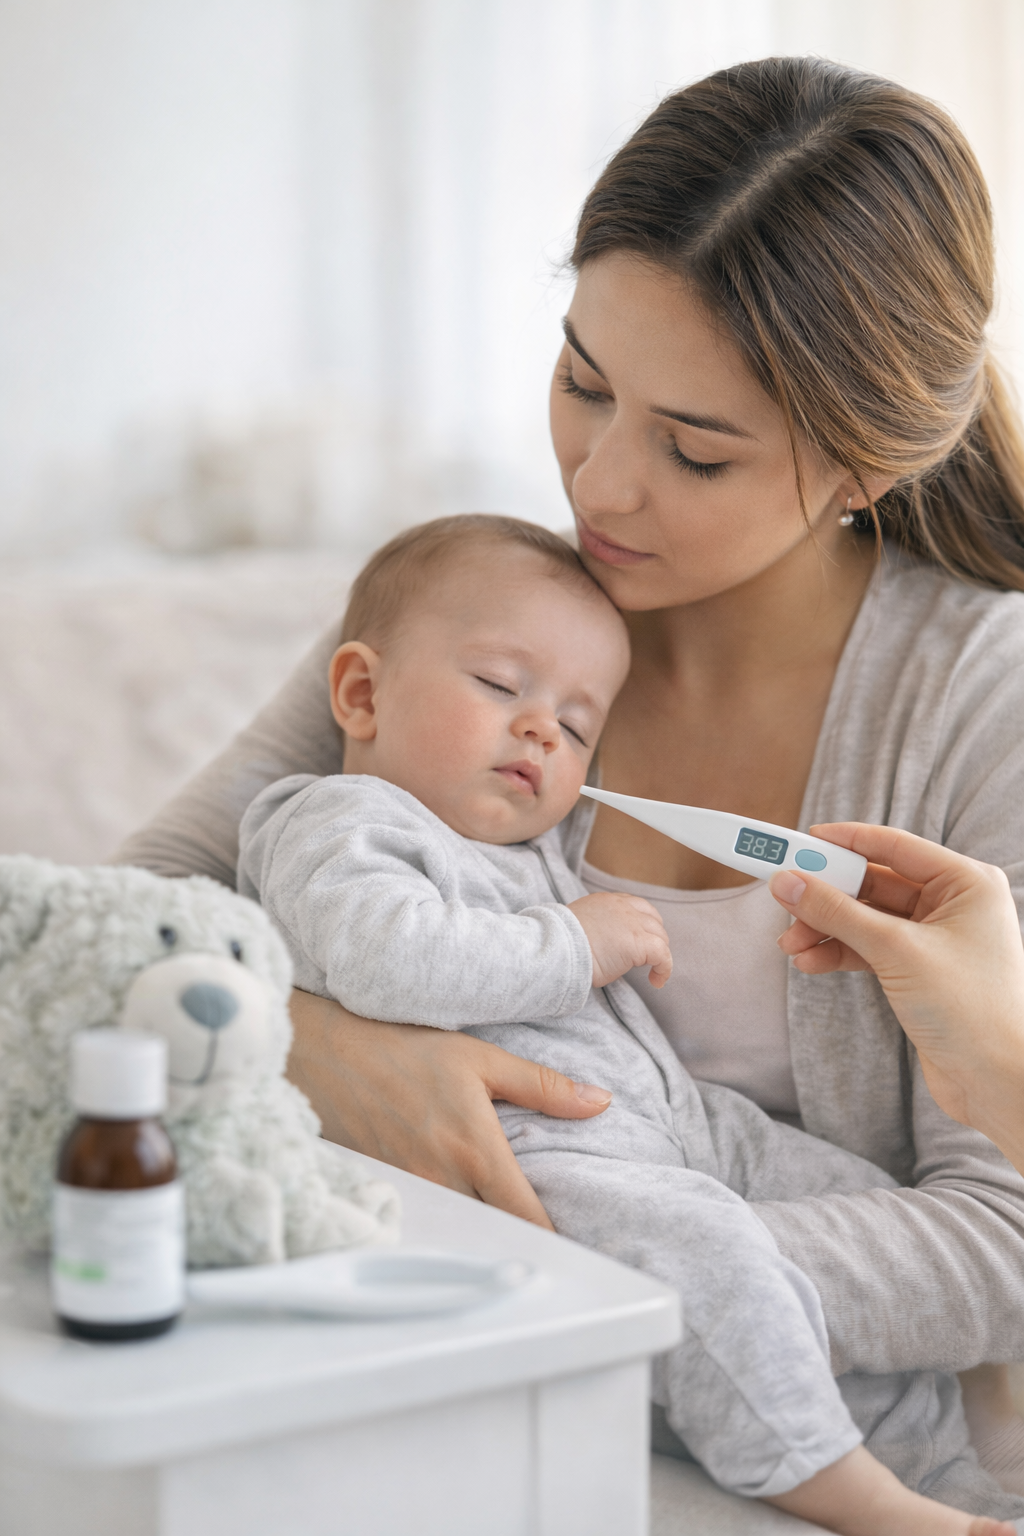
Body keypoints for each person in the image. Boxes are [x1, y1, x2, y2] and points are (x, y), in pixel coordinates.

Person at [117, 57, 1024, 1519]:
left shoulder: (982, 700)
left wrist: (589, 1264)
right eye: (583, 383)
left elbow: (1003, 1242)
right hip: (477, 1410)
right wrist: (313, 1051)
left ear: (864, 465)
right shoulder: (483, 617)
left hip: (852, 1468)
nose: (597, 485)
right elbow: (107, 930)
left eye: (694, 450)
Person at [235, 509, 1013, 1534]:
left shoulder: (520, 837)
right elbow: (379, 955)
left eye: (578, 727)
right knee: (702, 1246)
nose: (540, 730)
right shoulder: (343, 819)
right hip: (546, 1156)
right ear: (361, 694)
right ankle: (847, 1490)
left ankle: (944, 1479)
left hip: (680, 1124)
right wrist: (572, 942)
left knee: (847, 1193)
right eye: (500, 687)